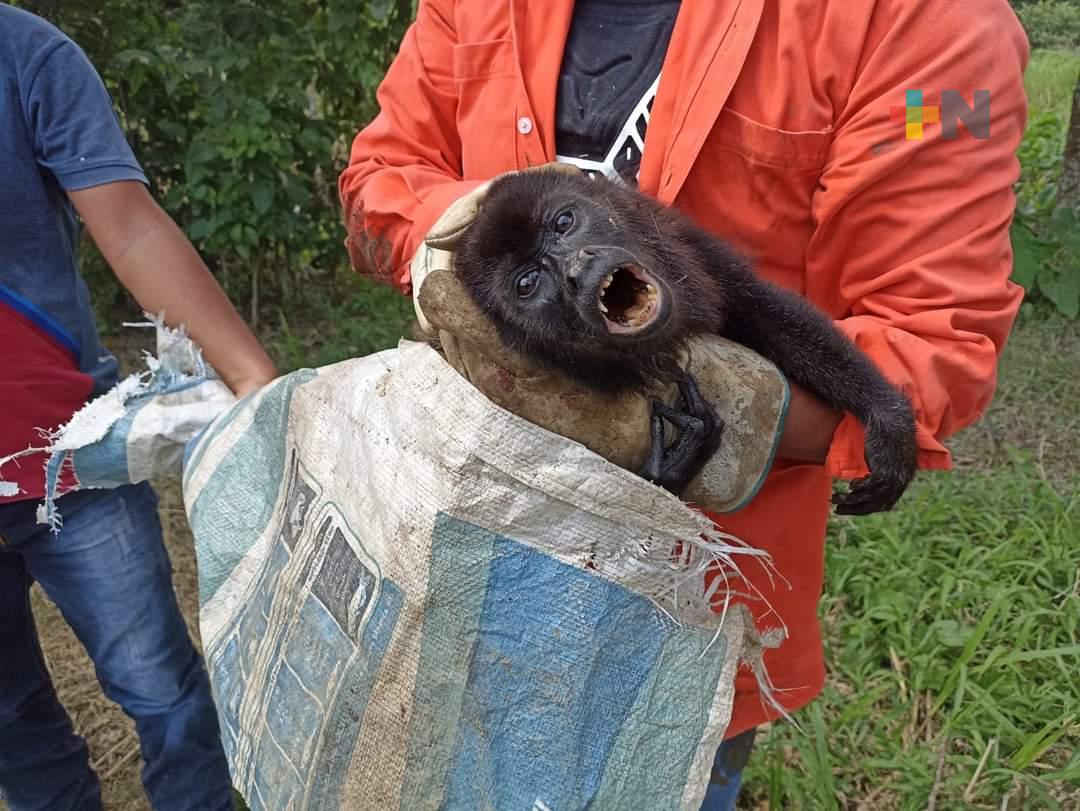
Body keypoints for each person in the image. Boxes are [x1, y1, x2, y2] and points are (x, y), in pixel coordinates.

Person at [338, 0, 1029, 807]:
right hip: (474, 572)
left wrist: (716, 417)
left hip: (697, 603)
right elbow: (376, 183)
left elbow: (927, 344)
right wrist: (479, 237)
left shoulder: (925, 27)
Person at [0, 5, 276, 809]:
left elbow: (129, 229)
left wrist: (253, 375)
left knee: (160, 687)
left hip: (67, 459)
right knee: (9, 714)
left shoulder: (26, 55)